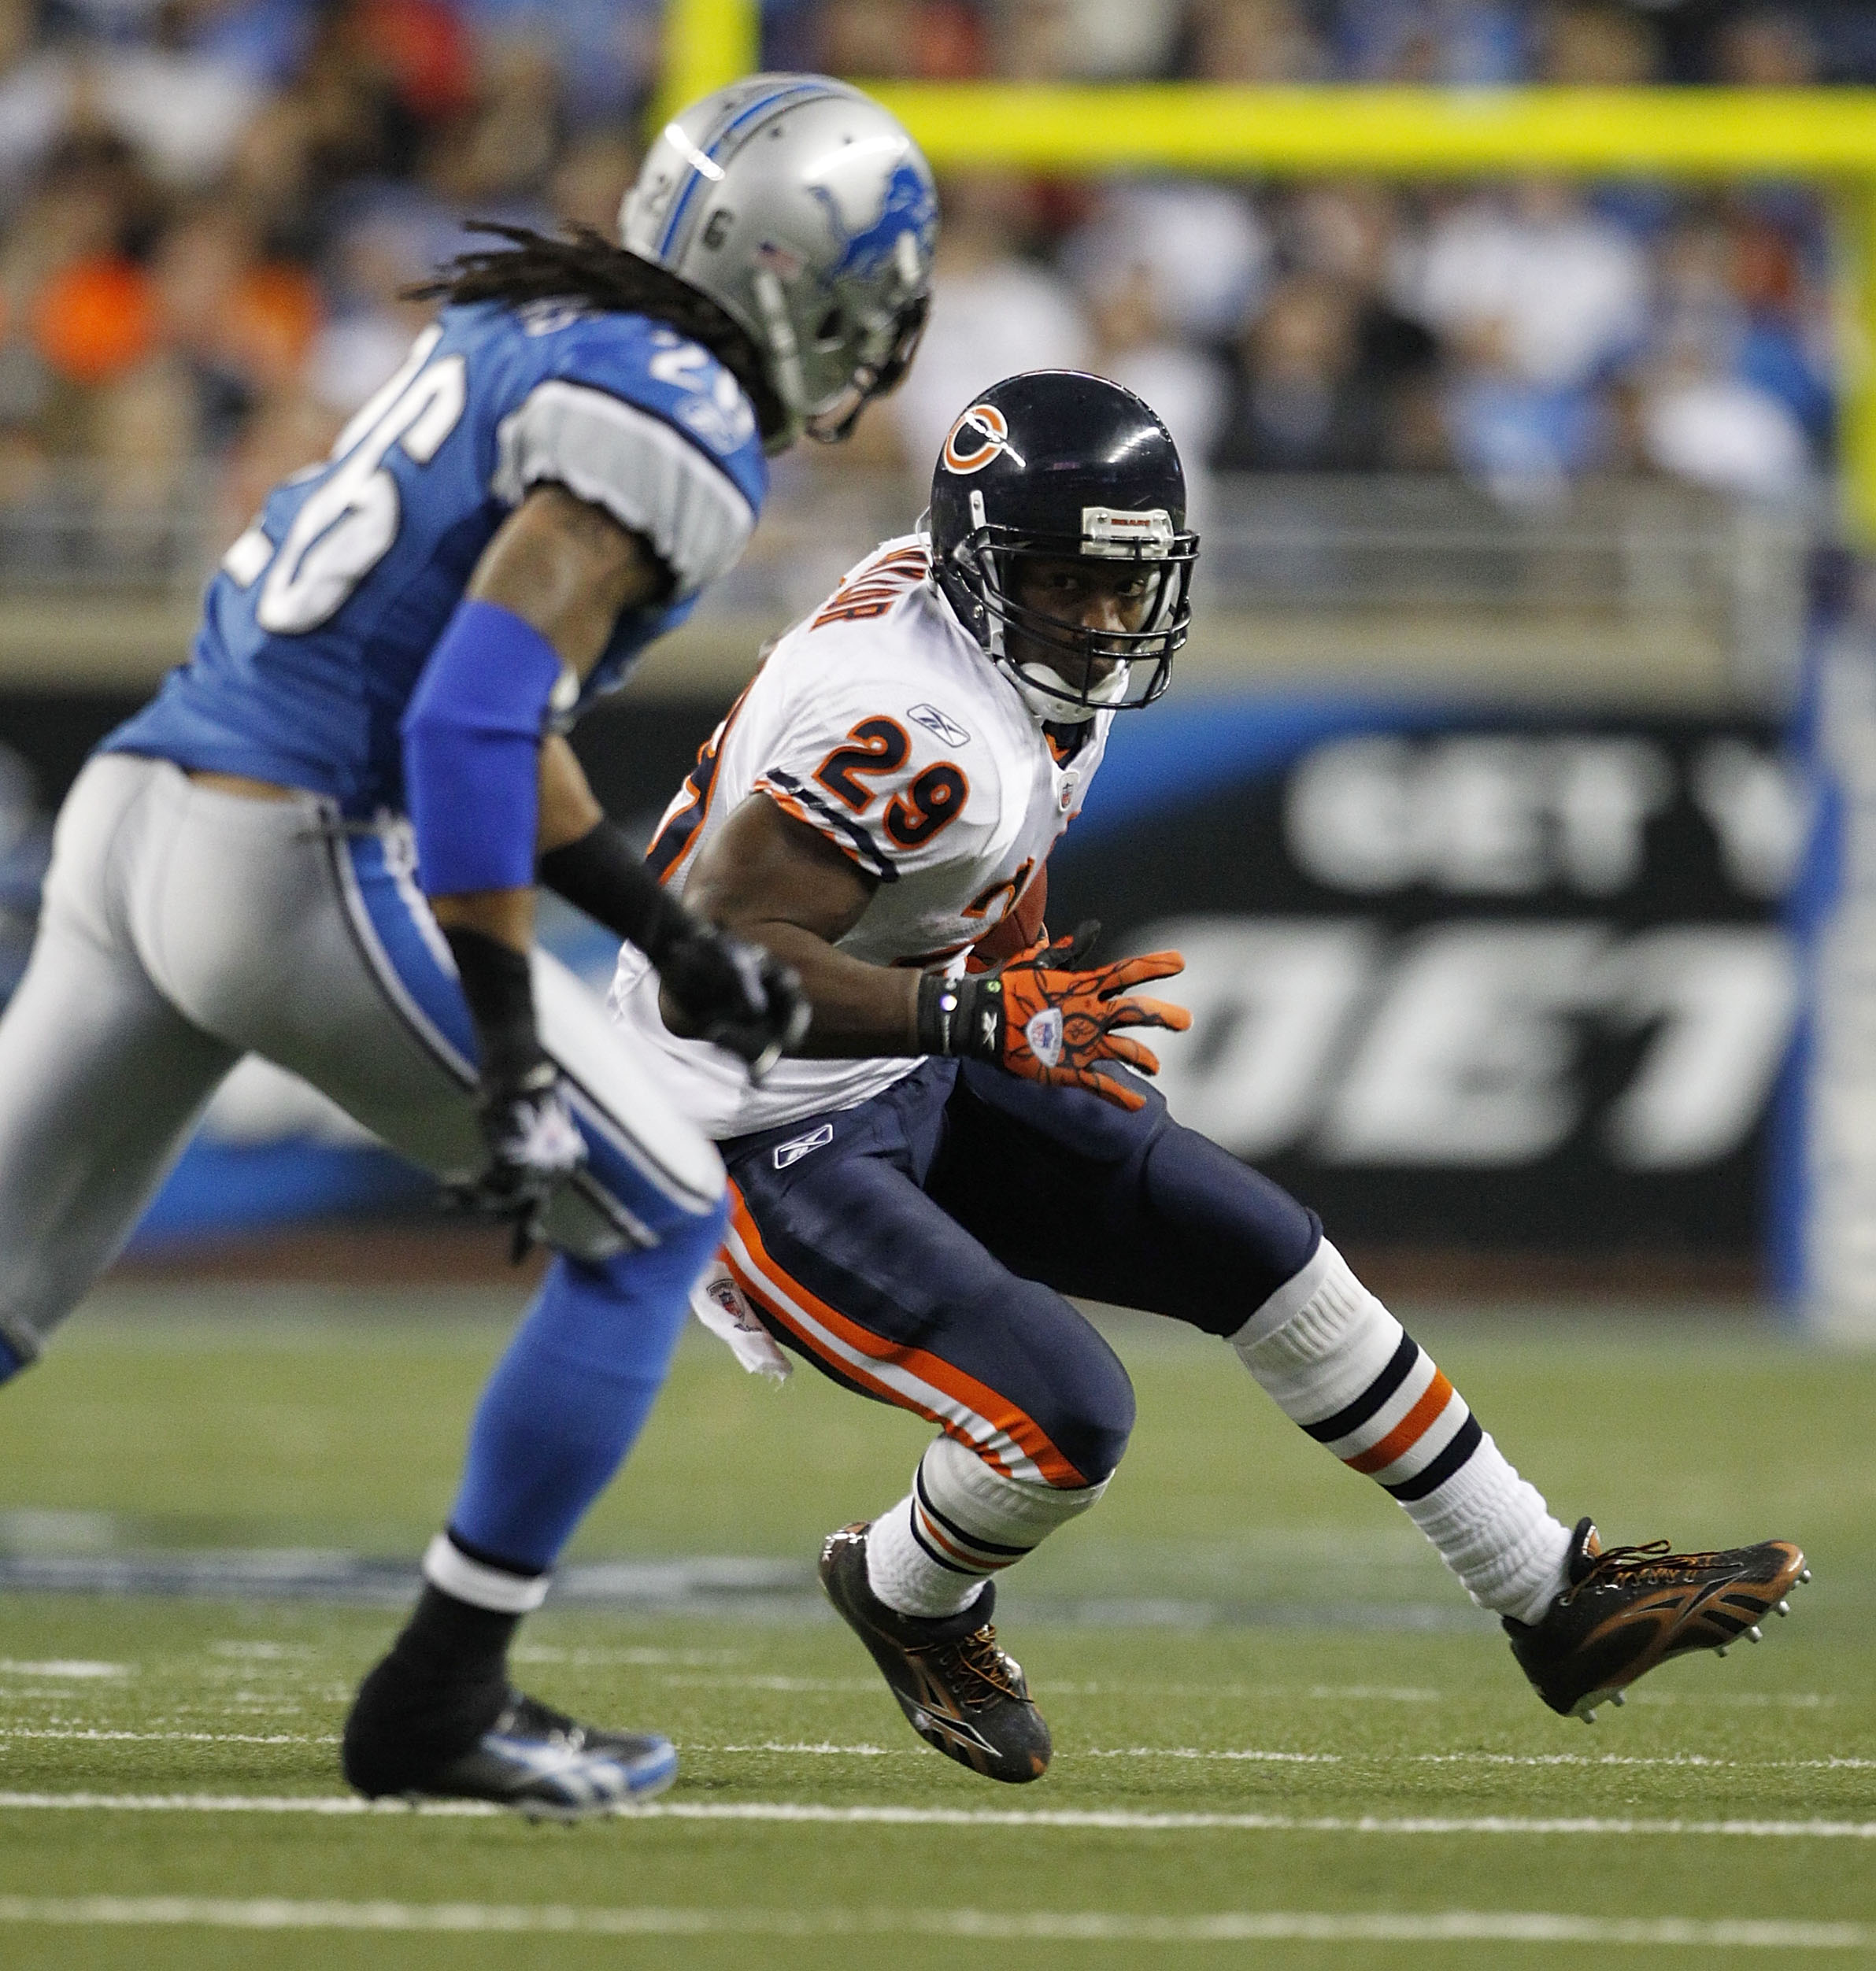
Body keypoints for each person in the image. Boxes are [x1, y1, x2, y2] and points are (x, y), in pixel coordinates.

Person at [591, 368, 1796, 1784]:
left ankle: (1551, 1591)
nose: (1101, 620)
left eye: (1124, 583)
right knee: (1065, 1422)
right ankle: (908, 1595)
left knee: (1264, 1246)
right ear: (984, 568)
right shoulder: (913, 723)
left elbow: (983, 870)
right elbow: (709, 963)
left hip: (901, 1053)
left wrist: (1013, 999)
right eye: (1065, 581)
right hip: (732, 1115)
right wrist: (980, 1019)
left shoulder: (997, 651)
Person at [0, 71, 938, 1812]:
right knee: (657, 1217)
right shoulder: (679, 414)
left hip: (141, 807)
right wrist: (513, 1049)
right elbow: (465, 727)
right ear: (796, 283)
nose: (873, 351)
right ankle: (440, 1698)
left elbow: (494, 696)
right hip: (290, 842)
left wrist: (662, 930)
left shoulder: (543, 326)